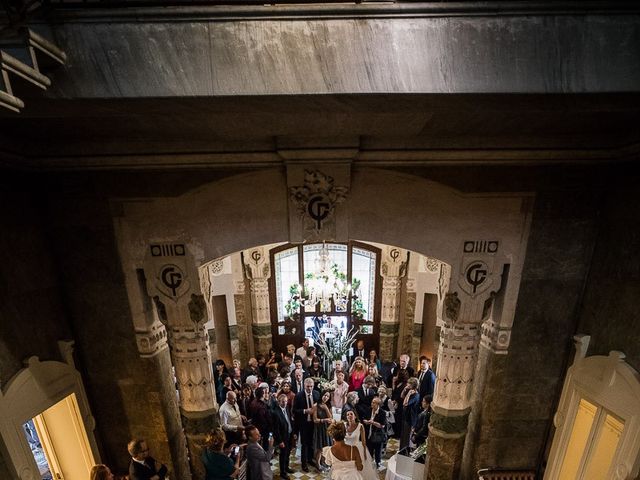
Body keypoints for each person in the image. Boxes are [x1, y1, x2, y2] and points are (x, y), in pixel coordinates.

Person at [293, 377, 320, 472]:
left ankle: (310, 459)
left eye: (311, 386)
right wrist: (305, 411)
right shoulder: (299, 395)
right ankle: (304, 464)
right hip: (303, 423)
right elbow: (294, 410)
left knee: (311, 442)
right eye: (308, 386)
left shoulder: (316, 394)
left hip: (314, 423)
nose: (310, 388)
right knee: (304, 444)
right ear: (304, 386)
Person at [344, 410, 376, 478]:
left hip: (357, 450)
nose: (349, 415)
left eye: (351, 414)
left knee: (357, 469)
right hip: (346, 450)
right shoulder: (344, 425)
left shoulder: (360, 426)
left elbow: (364, 441)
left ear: (355, 416)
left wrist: (364, 452)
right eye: (347, 414)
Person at [271, 393, 295, 480]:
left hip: (289, 435)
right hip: (282, 438)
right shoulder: (275, 413)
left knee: (288, 454)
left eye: (285, 401)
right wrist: (280, 441)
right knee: (283, 455)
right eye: (282, 402)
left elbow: (289, 421)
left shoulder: (287, 408)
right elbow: (275, 430)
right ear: (278, 402)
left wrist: (293, 433)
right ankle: (282, 472)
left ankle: (287, 467)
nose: (284, 403)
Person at [363, 397, 387, 470]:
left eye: (374, 403)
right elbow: (363, 418)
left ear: (378, 404)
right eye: (372, 402)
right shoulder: (368, 409)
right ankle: (369, 462)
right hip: (369, 433)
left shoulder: (382, 412)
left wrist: (373, 422)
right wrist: (366, 421)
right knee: (369, 448)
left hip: (378, 434)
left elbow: (382, 425)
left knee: (378, 450)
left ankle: (378, 462)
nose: (372, 404)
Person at [312, 391, 333, 471]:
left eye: (328, 396)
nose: (326, 397)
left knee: (326, 447)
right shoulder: (315, 405)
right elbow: (315, 420)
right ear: (321, 395)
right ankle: (317, 464)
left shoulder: (328, 406)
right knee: (320, 448)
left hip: (326, 428)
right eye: (325, 395)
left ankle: (323, 462)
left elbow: (330, 417)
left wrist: (326, 408)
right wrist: (324, 420)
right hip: (319, 428)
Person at [399, 377, 421, 450]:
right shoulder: (409, 391)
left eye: (409, 383)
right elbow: (401, 396)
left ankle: (405, 452)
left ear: (412, 385)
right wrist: (404, 390)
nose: (407, 384)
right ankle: (401, 450)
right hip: (405, 416)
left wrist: (408, 394)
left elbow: (405, 403)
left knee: (407, 437)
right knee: (403, 435)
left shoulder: (416, 395)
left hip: (410, 419)